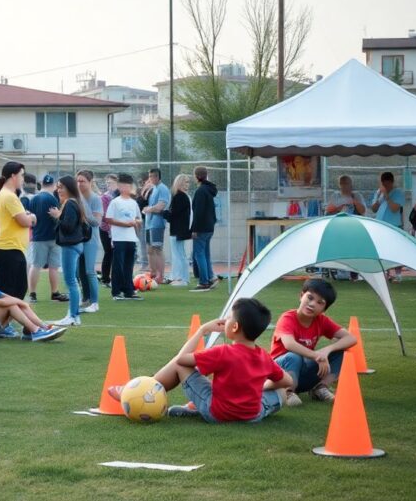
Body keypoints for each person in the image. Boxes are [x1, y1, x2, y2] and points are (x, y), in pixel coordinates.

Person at [108, 298, 293, 423]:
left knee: (181, 366)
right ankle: (192, 407)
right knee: (282, 391)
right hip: (252, 415)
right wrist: (259, 387)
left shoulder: (223, 352)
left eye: (228, 318)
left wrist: (202, 330)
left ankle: (144, 391)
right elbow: (287, 381)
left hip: (218, 413)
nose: (224, 320)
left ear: (234, 327)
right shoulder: (264, 357)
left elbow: (181, 360)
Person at [270, 279, 357, 406]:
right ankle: (287, 392)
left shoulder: (321, 320)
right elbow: (289, 344)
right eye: (310, 298)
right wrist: (316, 356)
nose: (312, 304)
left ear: (324, 309)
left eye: (319, 302)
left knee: (342, 353)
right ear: (301, 296)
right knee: (294, 356)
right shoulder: (287, 318)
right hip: (279, 373)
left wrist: (327, 350)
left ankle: (320, 388)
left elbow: (351, 339)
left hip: (301, 375)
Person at [0, 259, 66, 342]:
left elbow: (7, 297)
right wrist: (21, 302)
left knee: (16, 303)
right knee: (11, 305)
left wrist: (23, 304)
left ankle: (41, 328)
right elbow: (2, 302)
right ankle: (36, 331)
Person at [49, 175, 89, 327]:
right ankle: (74, 315)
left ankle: (72, 315)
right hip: (73, 245)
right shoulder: (72, 202)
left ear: (69, 188)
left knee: (71, 281)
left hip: (70, 245)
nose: (59, 190)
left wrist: (57, 216)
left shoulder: (70, 204)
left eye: (62, 187)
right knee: (72, 281)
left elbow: (68, 226)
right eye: (58, 187)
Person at [0, 162, 35, 301]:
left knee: (13, 290)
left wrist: (26, 216)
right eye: (21, 175)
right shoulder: (9, 196)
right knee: (14, 290)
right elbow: (24, 221)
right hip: (9, 248)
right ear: (13, 176)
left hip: (10, 248)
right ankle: (0, 321)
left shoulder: (5, 194)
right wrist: (32, 218)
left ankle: (4, 321)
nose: (23, 179)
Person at [27, 175, 68, 304]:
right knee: (53, 267)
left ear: (41, 183)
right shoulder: (52, 198)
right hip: (53, 237)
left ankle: (32, 293)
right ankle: (54, 292)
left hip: (38, 236)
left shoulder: (33, 199)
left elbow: (30, 216)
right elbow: (56, 217)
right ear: (54, 184)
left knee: (36, 265)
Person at [106, 173, 142, 301]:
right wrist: (125, 224)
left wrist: (136, 223)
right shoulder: (115, 202)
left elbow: (138, 218)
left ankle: (129, 289)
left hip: (131, 238)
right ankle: (116, 290)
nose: (126, 188)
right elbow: (108, 219)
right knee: (118, 265)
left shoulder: (133, 203)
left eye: (128, 185)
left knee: (129, 265)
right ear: (120, 187)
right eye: (123, 185)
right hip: (119, 238)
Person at [75, 170, 103, 312]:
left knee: (89, 271)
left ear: (90, 182)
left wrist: (83, 207)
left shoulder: (95, 199)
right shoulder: (75, 197)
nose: (79, 184)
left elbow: (96, 222)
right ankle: (85, 298)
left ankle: (95, 302)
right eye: (78, 181)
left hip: (90, 239)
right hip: (78, 239)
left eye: (83, 181)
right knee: (79, 271)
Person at [370, 171, 404, 281]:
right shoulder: (378, 192)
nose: (385, 186)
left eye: (387, 184)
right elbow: (374, 209)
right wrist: (380, 197)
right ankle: (386, 273)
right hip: (380, 226)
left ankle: (398, 274)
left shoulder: (398, 193)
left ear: (392, 182)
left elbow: (395, 209)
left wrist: (387, 196)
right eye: (383, 184)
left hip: (394, 226)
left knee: (396, 251)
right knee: (382, 250)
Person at [140, 168, 171, 284]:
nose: (150, 179)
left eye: (152, 176)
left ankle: (161, 275)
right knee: (150, 249)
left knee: (157, 249)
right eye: (149, 176)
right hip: (149, 223)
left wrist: (149, 209)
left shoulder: (162, 189)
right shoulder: (154, 188)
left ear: (157, 177)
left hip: (157, 224)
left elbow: (161, 206)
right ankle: (152, 273)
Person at [190, 166, 218, 292]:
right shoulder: (208, 190)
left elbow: (198, 212)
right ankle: (210, 277)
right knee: (205, 254)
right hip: (209, 227)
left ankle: (204, 281)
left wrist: (194, 229)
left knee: (199, 254)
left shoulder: (201, 191)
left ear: (197, 176)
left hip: (201, 228)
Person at [166, 174, 193, 287]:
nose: (187, 184)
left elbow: (173, 215)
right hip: (180, 229)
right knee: (180, 255)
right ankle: (180, 277)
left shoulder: (180, 197)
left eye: (187, 182)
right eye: (185, 182)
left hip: (178, 230)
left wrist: (162, 213)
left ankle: (181, 278)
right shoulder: (184, 196)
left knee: (179, 255)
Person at [99, 174, 119, 287]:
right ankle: (105, 278)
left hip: (116, 228)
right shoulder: (105, 197)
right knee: (108, 252)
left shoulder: (119, 195)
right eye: (107, 183)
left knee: (115, 253)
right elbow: (105, 215)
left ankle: (114, 277)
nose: (108, 185)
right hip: (105, 229)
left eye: (110, 182)